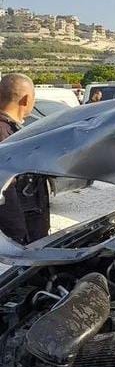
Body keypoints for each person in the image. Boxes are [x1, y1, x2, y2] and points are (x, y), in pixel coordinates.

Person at [0, 73, 50, 245]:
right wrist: (18, 235)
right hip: (20, 236)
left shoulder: (12, 129)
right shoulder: (5, 134)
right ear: (26, 99)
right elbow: (6, 188)